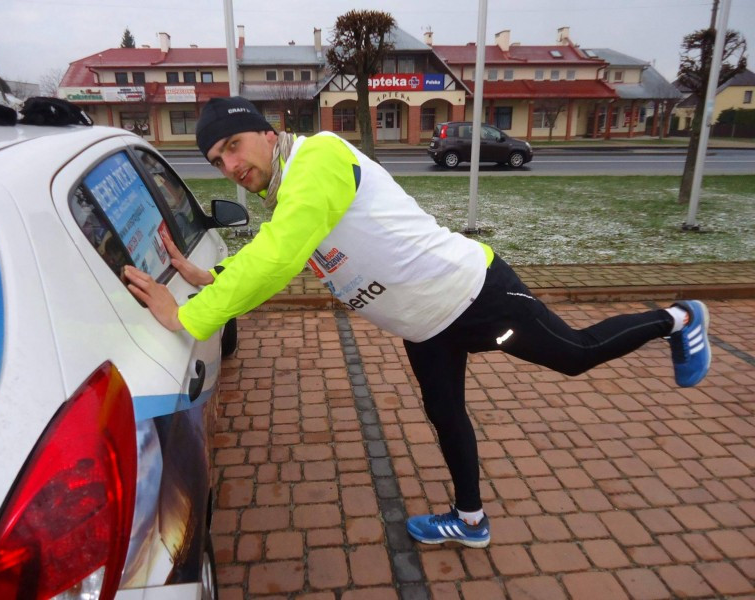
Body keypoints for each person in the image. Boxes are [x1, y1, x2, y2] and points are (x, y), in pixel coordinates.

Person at [124, 97, 712, 549]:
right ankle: (470, 520)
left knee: (575, 354)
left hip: (474, 293)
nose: (231, 165)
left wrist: (188, 315)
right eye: (217, 160)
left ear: (268, 133)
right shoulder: (289, 191)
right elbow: (284, 246)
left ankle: (679, 317)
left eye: (234, 145)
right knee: (445, 414)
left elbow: (278, 255)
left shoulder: (318, 157)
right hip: (425, 325)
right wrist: (214, 276)